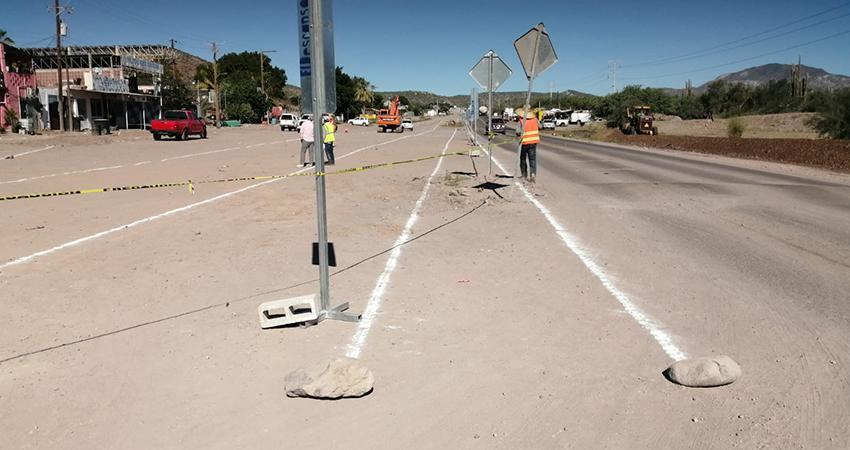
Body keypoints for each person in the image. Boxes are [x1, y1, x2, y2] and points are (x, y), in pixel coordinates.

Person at [519, 111, 540, 182]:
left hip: (525, 143)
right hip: (533, 142)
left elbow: (517, 131)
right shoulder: (535, 119)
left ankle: (524, 175)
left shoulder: (522, 120)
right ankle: (533, 174)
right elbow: (541, 126)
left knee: (523, 159)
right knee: (532, 159)